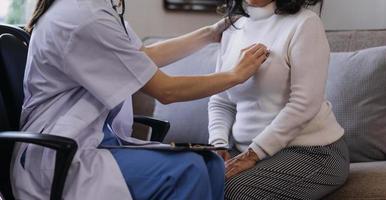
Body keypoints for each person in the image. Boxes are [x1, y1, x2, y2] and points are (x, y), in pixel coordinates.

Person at [10, 0, 270, 199]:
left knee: (210, 163)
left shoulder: (96, 8)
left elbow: (141, 57)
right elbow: (166, 91)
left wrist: (211, 33)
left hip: (88, 140)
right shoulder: (83, 17)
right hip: (60, 156)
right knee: (189, 169)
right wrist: (235, 75)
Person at [208, 0, 350, 199]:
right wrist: (218, 144)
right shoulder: (234, 28)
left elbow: (304, 104)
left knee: (232, 191)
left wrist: (254, 153)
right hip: (243, 150)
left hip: (312, 151)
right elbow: (221, 100)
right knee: (192, 181)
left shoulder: (305, 24)